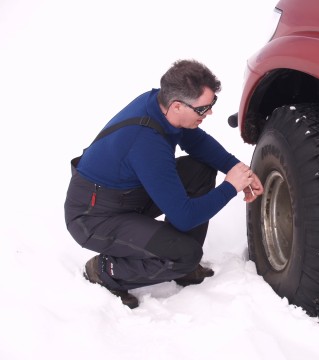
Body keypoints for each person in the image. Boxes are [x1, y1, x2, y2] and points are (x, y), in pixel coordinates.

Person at [64, 59, 263, 309]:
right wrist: (230, 187)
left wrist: (236, 168)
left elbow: (197, 142)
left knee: (198, 169)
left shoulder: (161, 106)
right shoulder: (147, 142)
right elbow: (185, 217)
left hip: (129, 193)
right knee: (186, 255)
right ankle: (105, 271)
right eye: (203, 109)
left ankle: (178, 265)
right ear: (177, 105)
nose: (209, 113)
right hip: (94, 216)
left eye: (212, 104)